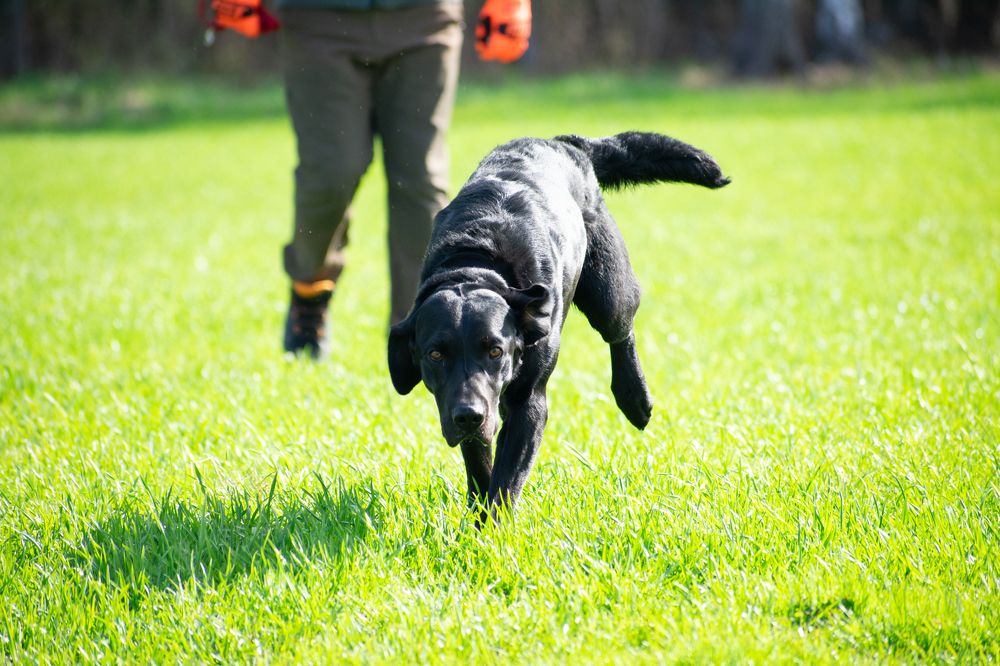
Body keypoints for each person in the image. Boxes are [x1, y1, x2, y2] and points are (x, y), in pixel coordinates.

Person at [276, 0, 531, 359]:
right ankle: (309, 291)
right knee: (330, 174)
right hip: (319, 19)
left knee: (420, 182)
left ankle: (421, 333)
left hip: (423, 20)